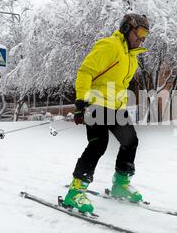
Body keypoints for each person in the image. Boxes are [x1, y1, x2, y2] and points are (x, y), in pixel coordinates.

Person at [62, 13, 150, 214]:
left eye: (146, 34)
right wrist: (80, 103)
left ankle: (121, 184)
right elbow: (86, 72)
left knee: (131, 142)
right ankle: (75, 191)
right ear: (128, 29)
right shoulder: (109, 45)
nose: (142, 38)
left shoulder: (131, 57)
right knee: (98, 144)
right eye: (141, 33)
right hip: (95, 104)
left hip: (116, 108)